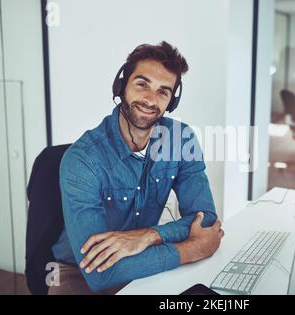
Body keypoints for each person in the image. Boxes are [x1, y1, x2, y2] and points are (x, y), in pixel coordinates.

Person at [49, 41, 224, 294]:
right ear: (121, 86)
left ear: (171, 101)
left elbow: (205, 220)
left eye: (163, 91)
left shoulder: (181, 139)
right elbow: (101, 273)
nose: (150, 100)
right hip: (76, 271)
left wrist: (149, 236)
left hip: (144, 254)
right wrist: (192, 249)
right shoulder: (83, 158)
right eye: (142, 84)